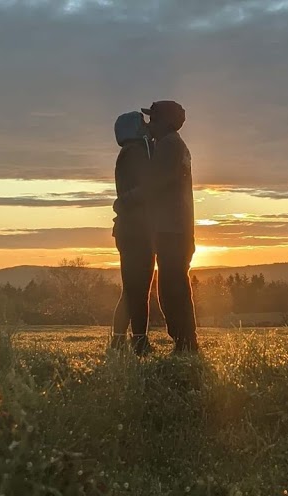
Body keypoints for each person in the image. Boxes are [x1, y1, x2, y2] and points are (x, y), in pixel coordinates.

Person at [118, 100, 198, 353]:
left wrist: (125, 201)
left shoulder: (169, 146)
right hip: (174, 228)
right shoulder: (170, 145)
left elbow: (154, 183)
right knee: (171, 288)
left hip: (172, 230)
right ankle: (184, 343)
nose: (149, 124)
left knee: (172, 290)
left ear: (165, 122)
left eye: (153, 119)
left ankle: (185, 343)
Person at [110, 111, 156, 356]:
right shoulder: (137, 153)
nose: (147, 126)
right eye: (143, 123)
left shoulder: (128, 153)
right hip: (137, 230)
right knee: (138, 289)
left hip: (129, 230)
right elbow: (147, 187)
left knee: (132, 289)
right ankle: (138, 341)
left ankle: (121, 341)